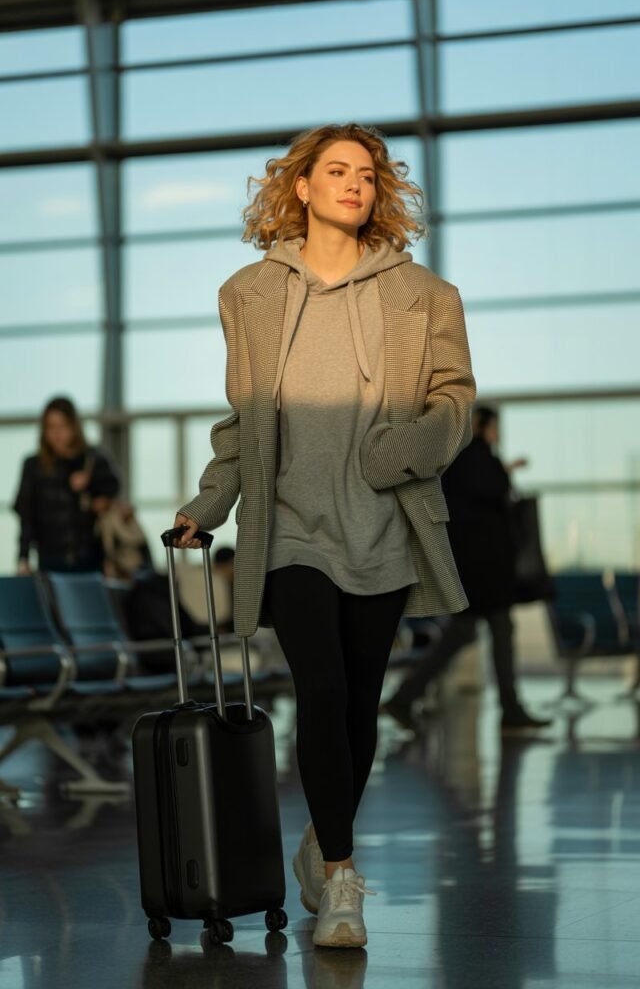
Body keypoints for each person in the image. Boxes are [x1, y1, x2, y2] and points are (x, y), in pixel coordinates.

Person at [171, 123, 475, 948]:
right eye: (336, 171)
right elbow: (243, 421)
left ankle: (320, 838)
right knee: (325, 690)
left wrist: (405, 449)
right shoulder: (249, 294)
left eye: (367, 175)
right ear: (300, 187)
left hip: (383, 521)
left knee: (361, 706)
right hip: (292, 526)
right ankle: (343, 879)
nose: (354, 185)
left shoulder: (425, 295)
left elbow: (455, 399)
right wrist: (209, 503)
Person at [384, 404, 552, 735]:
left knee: (463, 633)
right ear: (483, 427)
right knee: (499, 632)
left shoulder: (455, 461)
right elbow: (494, 492)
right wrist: (504, 470)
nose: (497, 434)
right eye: (494, 427)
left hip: (470, 571)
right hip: (488, 574)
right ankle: (510, 710)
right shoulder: (481, 460)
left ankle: (405, 697)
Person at [13, 396, 120, 574]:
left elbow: (111, 491)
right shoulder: (33, 466)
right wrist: (23, 557)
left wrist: (89, 485)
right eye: (51, 427)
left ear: (74, 426)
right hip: (50, 561)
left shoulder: (93, 460)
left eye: (62, 425)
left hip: (92, 559)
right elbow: (26, 516)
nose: (57, 433)